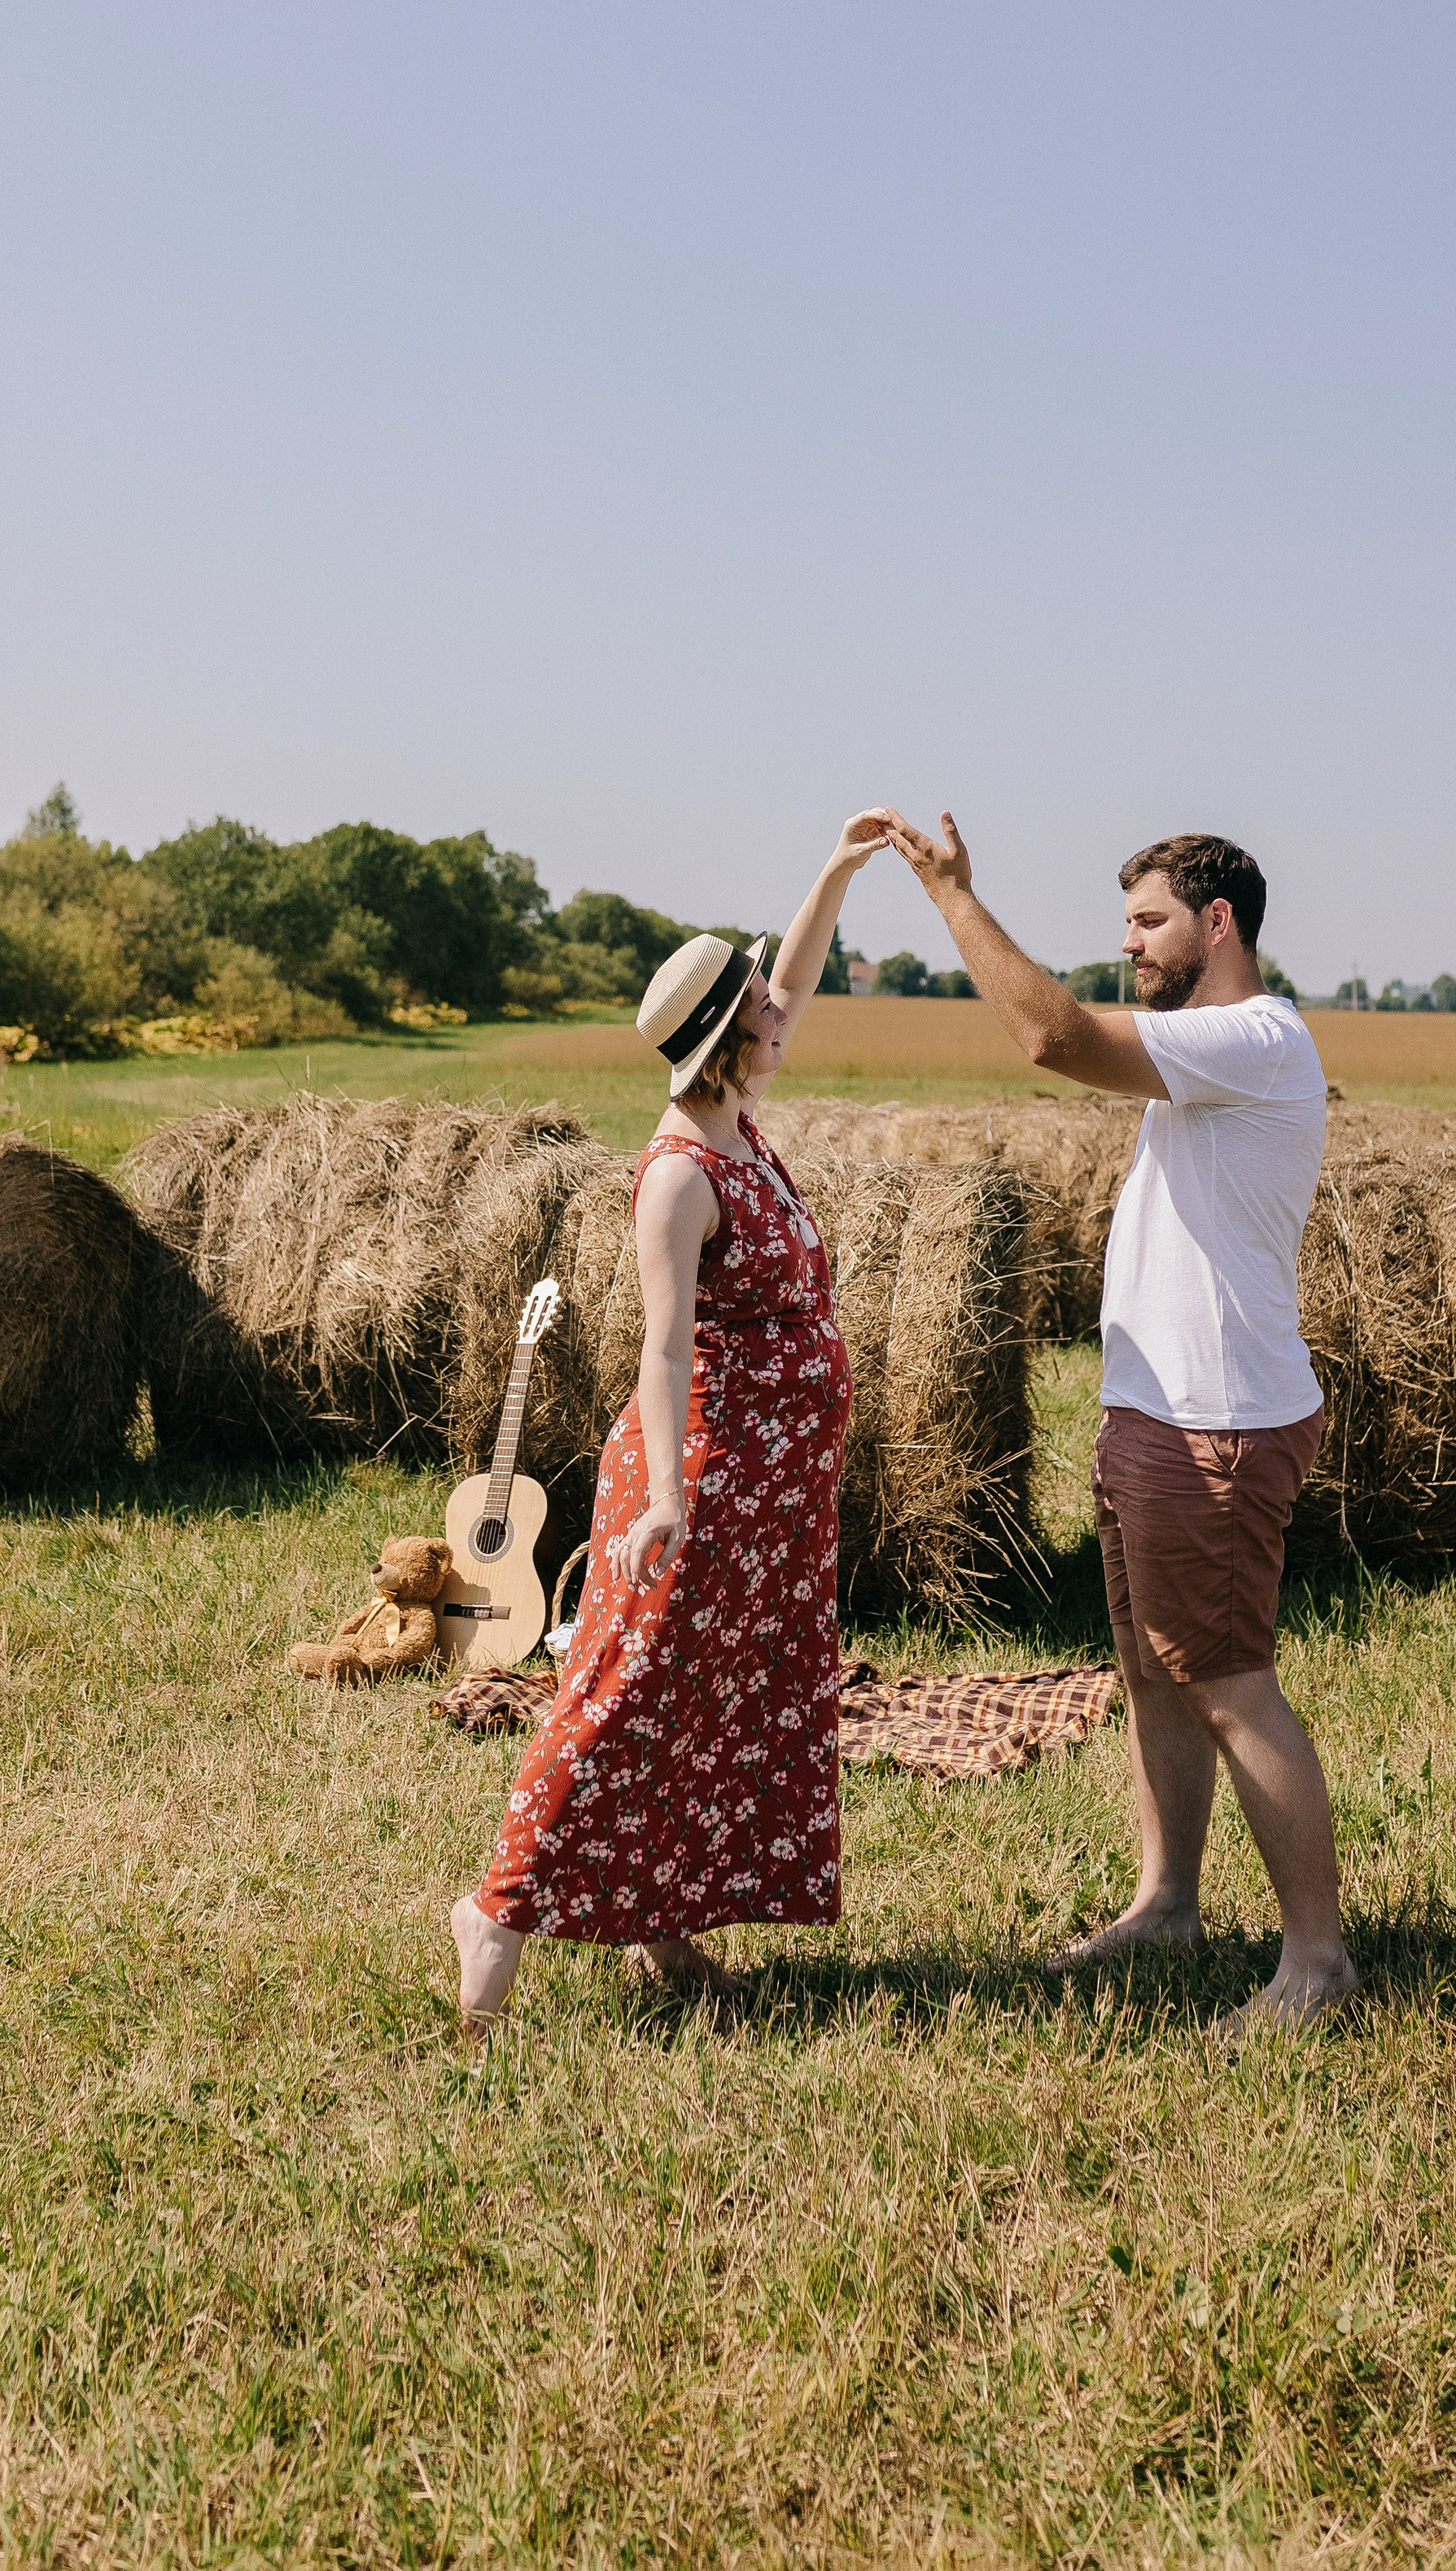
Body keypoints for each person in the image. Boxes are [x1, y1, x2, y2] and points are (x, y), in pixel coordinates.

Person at [878, 811, 1356, 2034]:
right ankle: (1169, 1904)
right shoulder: (1208, 1044)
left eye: (1147, 922)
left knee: (1231, 1684)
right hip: (1156, 1412)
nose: (1129, 945)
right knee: (1154, 1671)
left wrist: (951, 897)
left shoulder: (1252, 1036)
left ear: (1217, 922)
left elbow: (1051, 1037)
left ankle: (1317, 1966)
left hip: (1217, 1425)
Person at [450, 815, 888, 2042]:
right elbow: (661, 1348)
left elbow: (794, 978)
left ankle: (660, 1918)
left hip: (770, 1491)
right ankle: (497, 1912)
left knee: (719, 1696)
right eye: (757, 998)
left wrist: (837, 872)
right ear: (727, 1033)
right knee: (627, 1691)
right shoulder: (680, 1173)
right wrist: (664, 1501)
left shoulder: (738, 1114)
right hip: (699, 1480)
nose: (777, 1005)